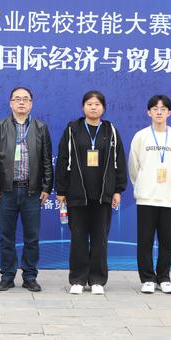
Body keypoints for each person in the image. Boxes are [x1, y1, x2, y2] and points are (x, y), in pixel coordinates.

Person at [55, 90, 127, 295]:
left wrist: (118, 190)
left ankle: (97, 280)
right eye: (89, 104)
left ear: (103, 108)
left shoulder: (110, 131)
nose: (93, 107)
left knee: (100, 238)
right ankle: (78, 279)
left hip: (103, 194)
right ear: (83, 107)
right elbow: (62, 159)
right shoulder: (73, 129)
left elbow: (119, 161)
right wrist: (61, 189)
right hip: (77, 194)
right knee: (78, 237)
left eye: (97, 104)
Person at [0, 87, 53, 292]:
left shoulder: (40, 127)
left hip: (32, 192)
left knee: (32, 237)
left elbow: (47, 160)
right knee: (6, 237)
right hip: (6, 191)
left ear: (31, 103)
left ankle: (30, 276)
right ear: (11, 103)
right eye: (17, 99)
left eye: (25, 99)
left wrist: (46, 187)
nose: (21, 102)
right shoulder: (0, 126)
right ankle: (7, 276)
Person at [129, 95, 171, 294]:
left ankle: (164, 278)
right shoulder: (141, 136)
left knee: (166, 241)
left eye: (163, 109)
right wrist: (141, 185)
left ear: (169, 112)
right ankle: (147, 278)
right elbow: (134, 166)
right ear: (149, 112)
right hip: (146, 197)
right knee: (145, 240)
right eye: (155, 109)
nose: (159, 112)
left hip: (169, 198)